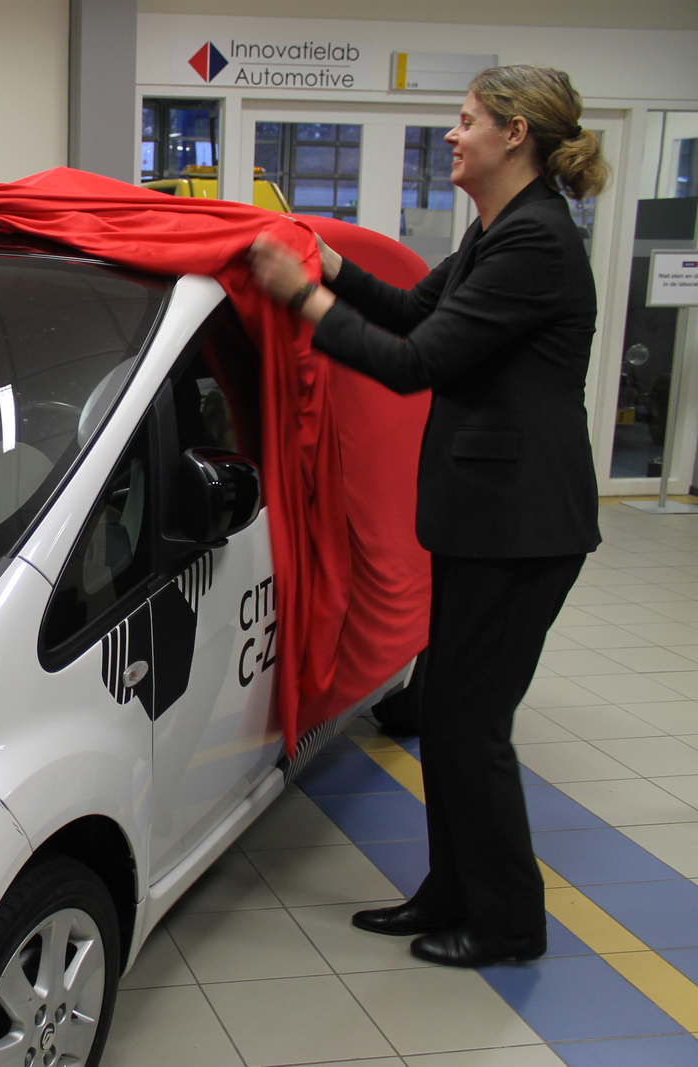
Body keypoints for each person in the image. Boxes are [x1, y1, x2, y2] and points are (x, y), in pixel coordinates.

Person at [246, 65, 606, 968]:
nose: (452, 133)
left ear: (515, 133)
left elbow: (417, 362)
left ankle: (509, 923)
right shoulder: (497, 231)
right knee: (446, 713)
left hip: (522, 528)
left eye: (467, 119)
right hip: (484, 519)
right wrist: (329, 265)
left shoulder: (536, 242)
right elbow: (414, 309)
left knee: (471, 725)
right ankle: (452, 892)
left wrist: (301, 297)